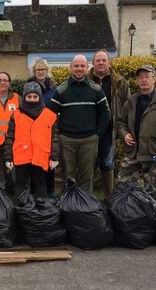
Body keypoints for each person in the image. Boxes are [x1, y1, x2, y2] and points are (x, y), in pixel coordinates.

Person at [49, 54, 110, 192]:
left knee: (86, 177)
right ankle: (68, 205)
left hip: (89, 140)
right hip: (67, 140)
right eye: (76, 66)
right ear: (71, 68)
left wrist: (97, 135)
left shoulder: (96, 89)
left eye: (82, 66)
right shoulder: (61, 90)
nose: (79, 69)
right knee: (67, 175)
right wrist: (59, 135)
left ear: (87, 68)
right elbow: (51, 116)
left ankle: (85, 207)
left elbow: (106, 113)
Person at [117, 64, 156, 196]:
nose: (144, 80)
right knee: (124, 189)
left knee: (151, 194)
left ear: (154, 79)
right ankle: (128, 215)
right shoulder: (131, 101)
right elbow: (120, 122)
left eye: (147, 77)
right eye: (140, 77)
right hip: (133, 153)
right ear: (137, 81)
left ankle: (150, 215)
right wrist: (124, 134)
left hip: (154, 155)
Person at [87, 49, 131, 201]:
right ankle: (87, 198)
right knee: (88, 165)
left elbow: (127, 107)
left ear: (109, 62)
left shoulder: (119, 82)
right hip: (89, 130)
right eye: (98, 60)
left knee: (107, 163)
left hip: (109, 130)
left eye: (103, 60)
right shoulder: (85, 80)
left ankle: (109, 197)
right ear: (93, 63)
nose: (101, 63)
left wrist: (124, 131)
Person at [4, 82, 59, 198]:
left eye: (35, 96)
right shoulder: (16, 115)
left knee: (40, 184)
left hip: (41, 156)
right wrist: (8, 157)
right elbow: (10, 137)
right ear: (24, 97)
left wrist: (54, 157)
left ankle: (41, 210)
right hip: (21, 157)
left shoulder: (49, 115)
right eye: (29, 97)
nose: (32, 99)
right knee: (20, 184)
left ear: (39, 97)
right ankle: (20, 210)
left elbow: (54, 138)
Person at [28, 58, 58, 197]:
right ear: (34, 71)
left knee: (49, 163)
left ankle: (50, 192)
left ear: (47, 71)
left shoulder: (54, 87)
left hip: (49, 126)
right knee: (35, 165)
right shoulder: (29, 86)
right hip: (33, 129)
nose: (40, 72)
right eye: (38, 69)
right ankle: (35, 194)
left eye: (43, 69)